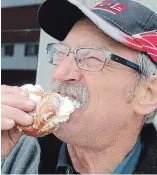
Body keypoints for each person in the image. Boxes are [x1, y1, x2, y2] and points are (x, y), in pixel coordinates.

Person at [1, 0, 157, 174]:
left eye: (92, 58)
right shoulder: (13, 150)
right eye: (61, 53)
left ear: (148, 94)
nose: (59, 73)